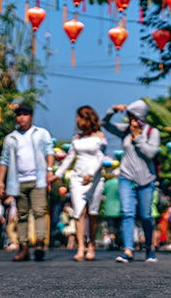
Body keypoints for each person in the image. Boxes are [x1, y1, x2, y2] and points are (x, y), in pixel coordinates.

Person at [102, 100, 160, 263]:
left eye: (133, 116)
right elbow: (104, 124)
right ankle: (128, 250)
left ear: (140, 116)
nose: (130, 120)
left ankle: (149, 247)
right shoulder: (125, 131)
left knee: (146, 216)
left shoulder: (152, 132)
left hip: (146, 180)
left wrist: (137, 138)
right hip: (126, 177)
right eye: (129, 116)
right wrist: (112, 110)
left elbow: (150, 154)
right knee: (127, 214)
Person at [0, 103, 55, 261]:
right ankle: (23, 247)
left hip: (38, 180)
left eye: (25, 114)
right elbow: (4, 160)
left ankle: (40, 244)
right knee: (21, 215)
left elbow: (50, 152)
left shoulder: (41, 133)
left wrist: (49, 172)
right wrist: (0, 182)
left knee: (40, 212)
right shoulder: (10, 138)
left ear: (31, 116)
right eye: (19, 114)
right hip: (17, 181)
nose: (21, 118)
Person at [53, 106, 107, 261]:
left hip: (95, 178)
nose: (77, 120)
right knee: (79, 212)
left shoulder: (100, 136)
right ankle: (81, 246)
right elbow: (69, 158)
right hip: (77, 178)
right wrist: (57, 175)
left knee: (93, 213)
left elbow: (101, 158)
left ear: (87, 118)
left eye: (80, 117)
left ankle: (91, 245)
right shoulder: (76, 138)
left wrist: (91, 174)